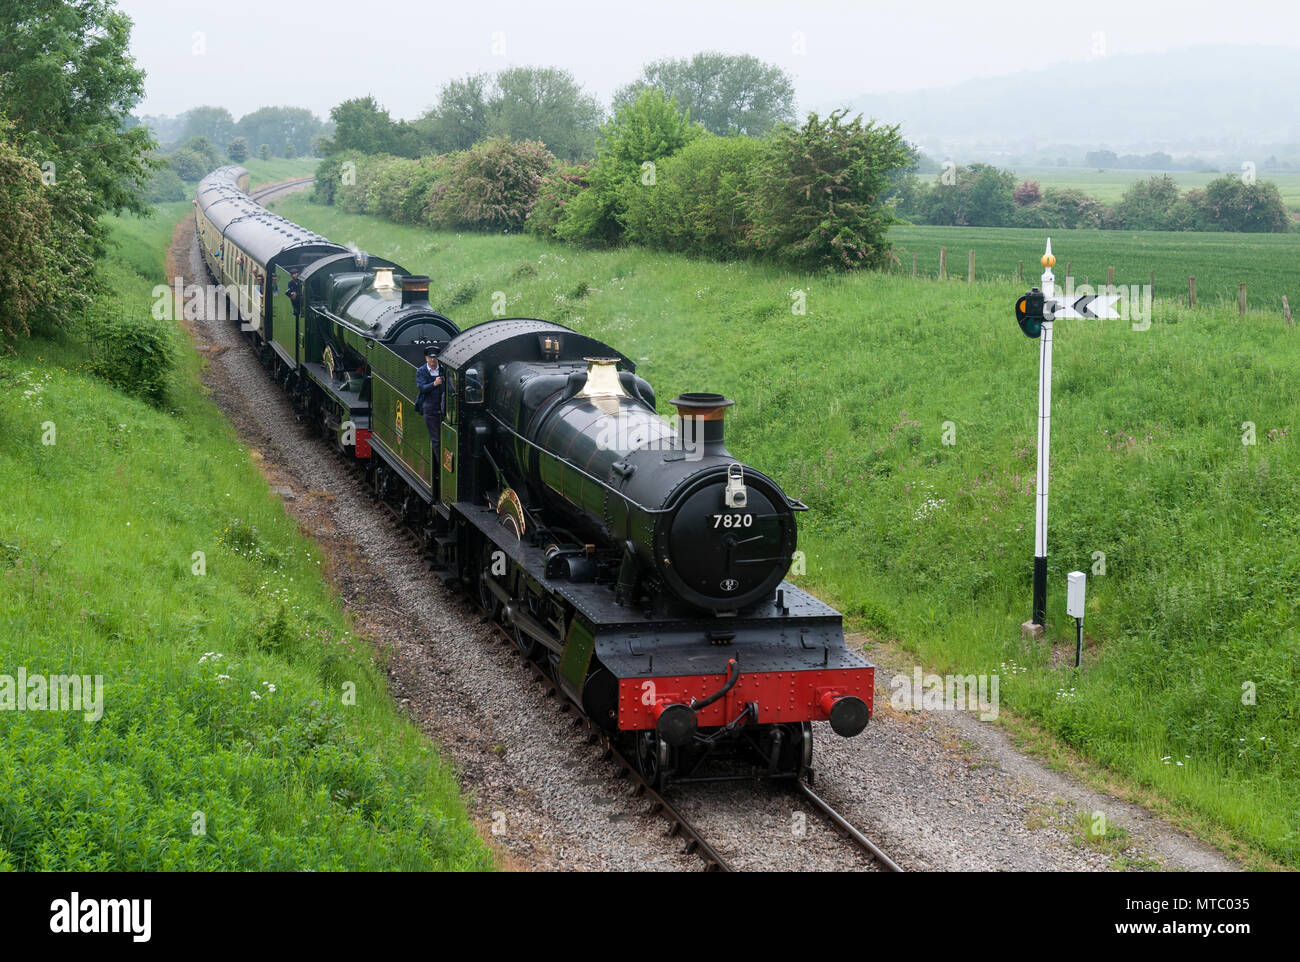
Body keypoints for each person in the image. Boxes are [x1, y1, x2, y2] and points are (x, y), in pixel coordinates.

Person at [415, 347, 446, 481]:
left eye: (434, 357)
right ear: (426, 358)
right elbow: (421, 388)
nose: (433, 360)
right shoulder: (421, 371)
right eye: (430, 357)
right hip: (430, 408)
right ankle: (441, 467)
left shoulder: (444, 369)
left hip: (444, 408)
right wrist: (434, 383)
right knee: (436, 440)